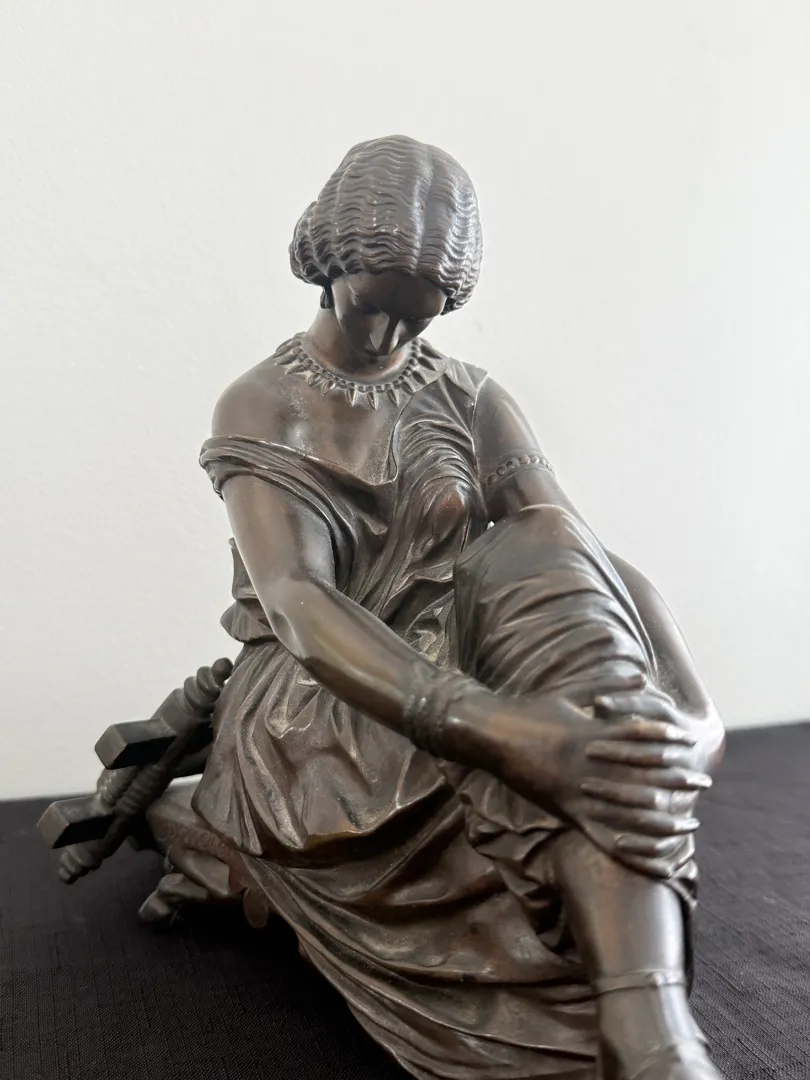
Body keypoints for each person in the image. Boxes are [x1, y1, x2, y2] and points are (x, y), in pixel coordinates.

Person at [143, 136, 725, 1080]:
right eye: (372, 307)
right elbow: (297, 602)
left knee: (548, 564)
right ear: (328, 265)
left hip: (460, 652)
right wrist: (496, 726)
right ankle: (642, 1024)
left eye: (416, 319)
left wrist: (692, 713)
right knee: (548, 723)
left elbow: (576, 549)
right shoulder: (263, 403)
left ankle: (646, 1018)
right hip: (326, 694)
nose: (387, 338)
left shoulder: (467, 394)